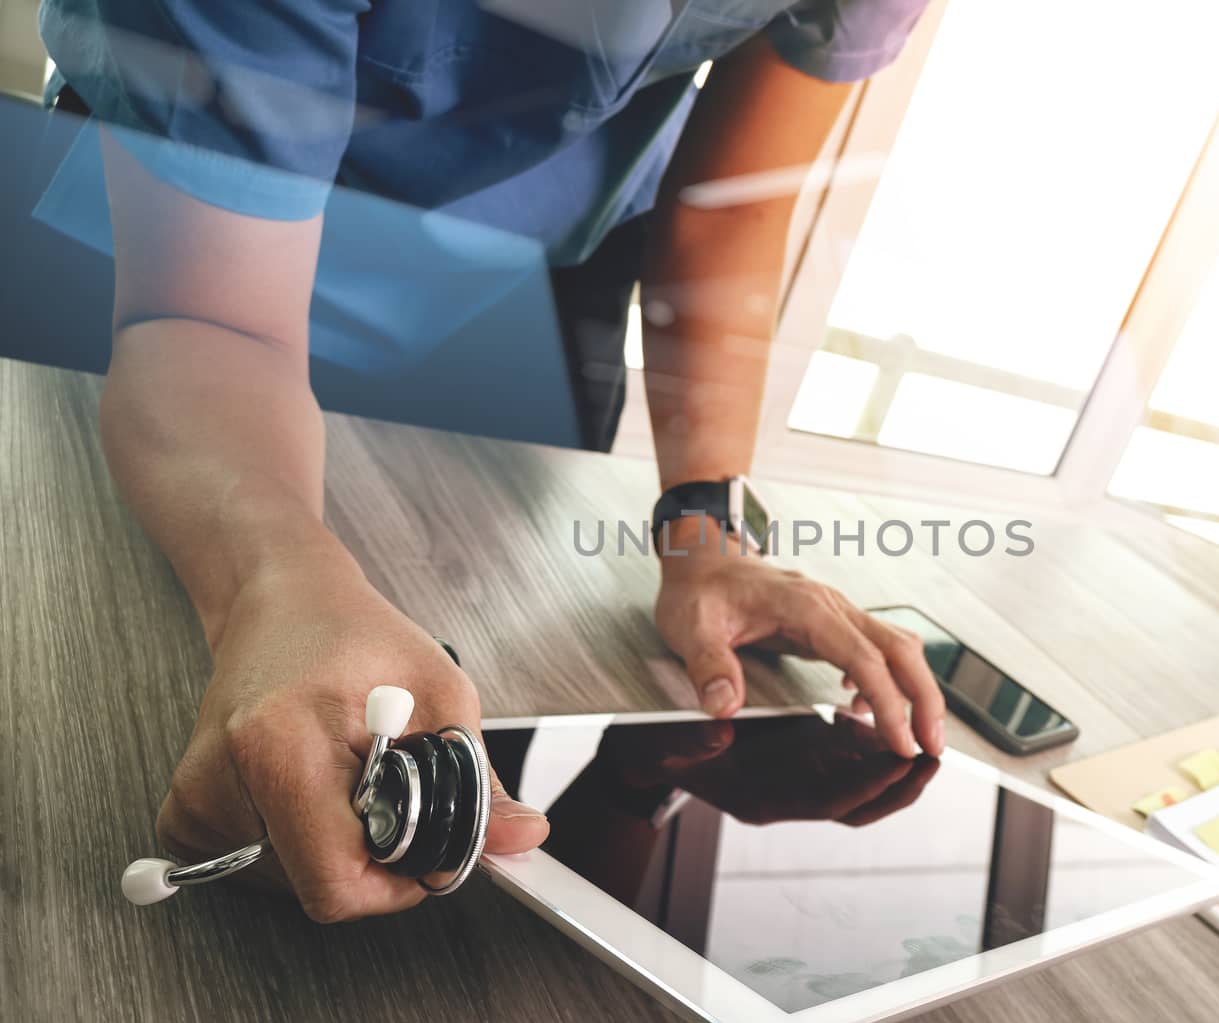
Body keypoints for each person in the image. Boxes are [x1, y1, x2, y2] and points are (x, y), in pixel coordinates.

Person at [34, 0, 947, 922]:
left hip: (532, 262)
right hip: (188, 209)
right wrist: (278, 576)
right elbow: (207, 319)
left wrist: (708, 530)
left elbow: (730, 215)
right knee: (104, 657)